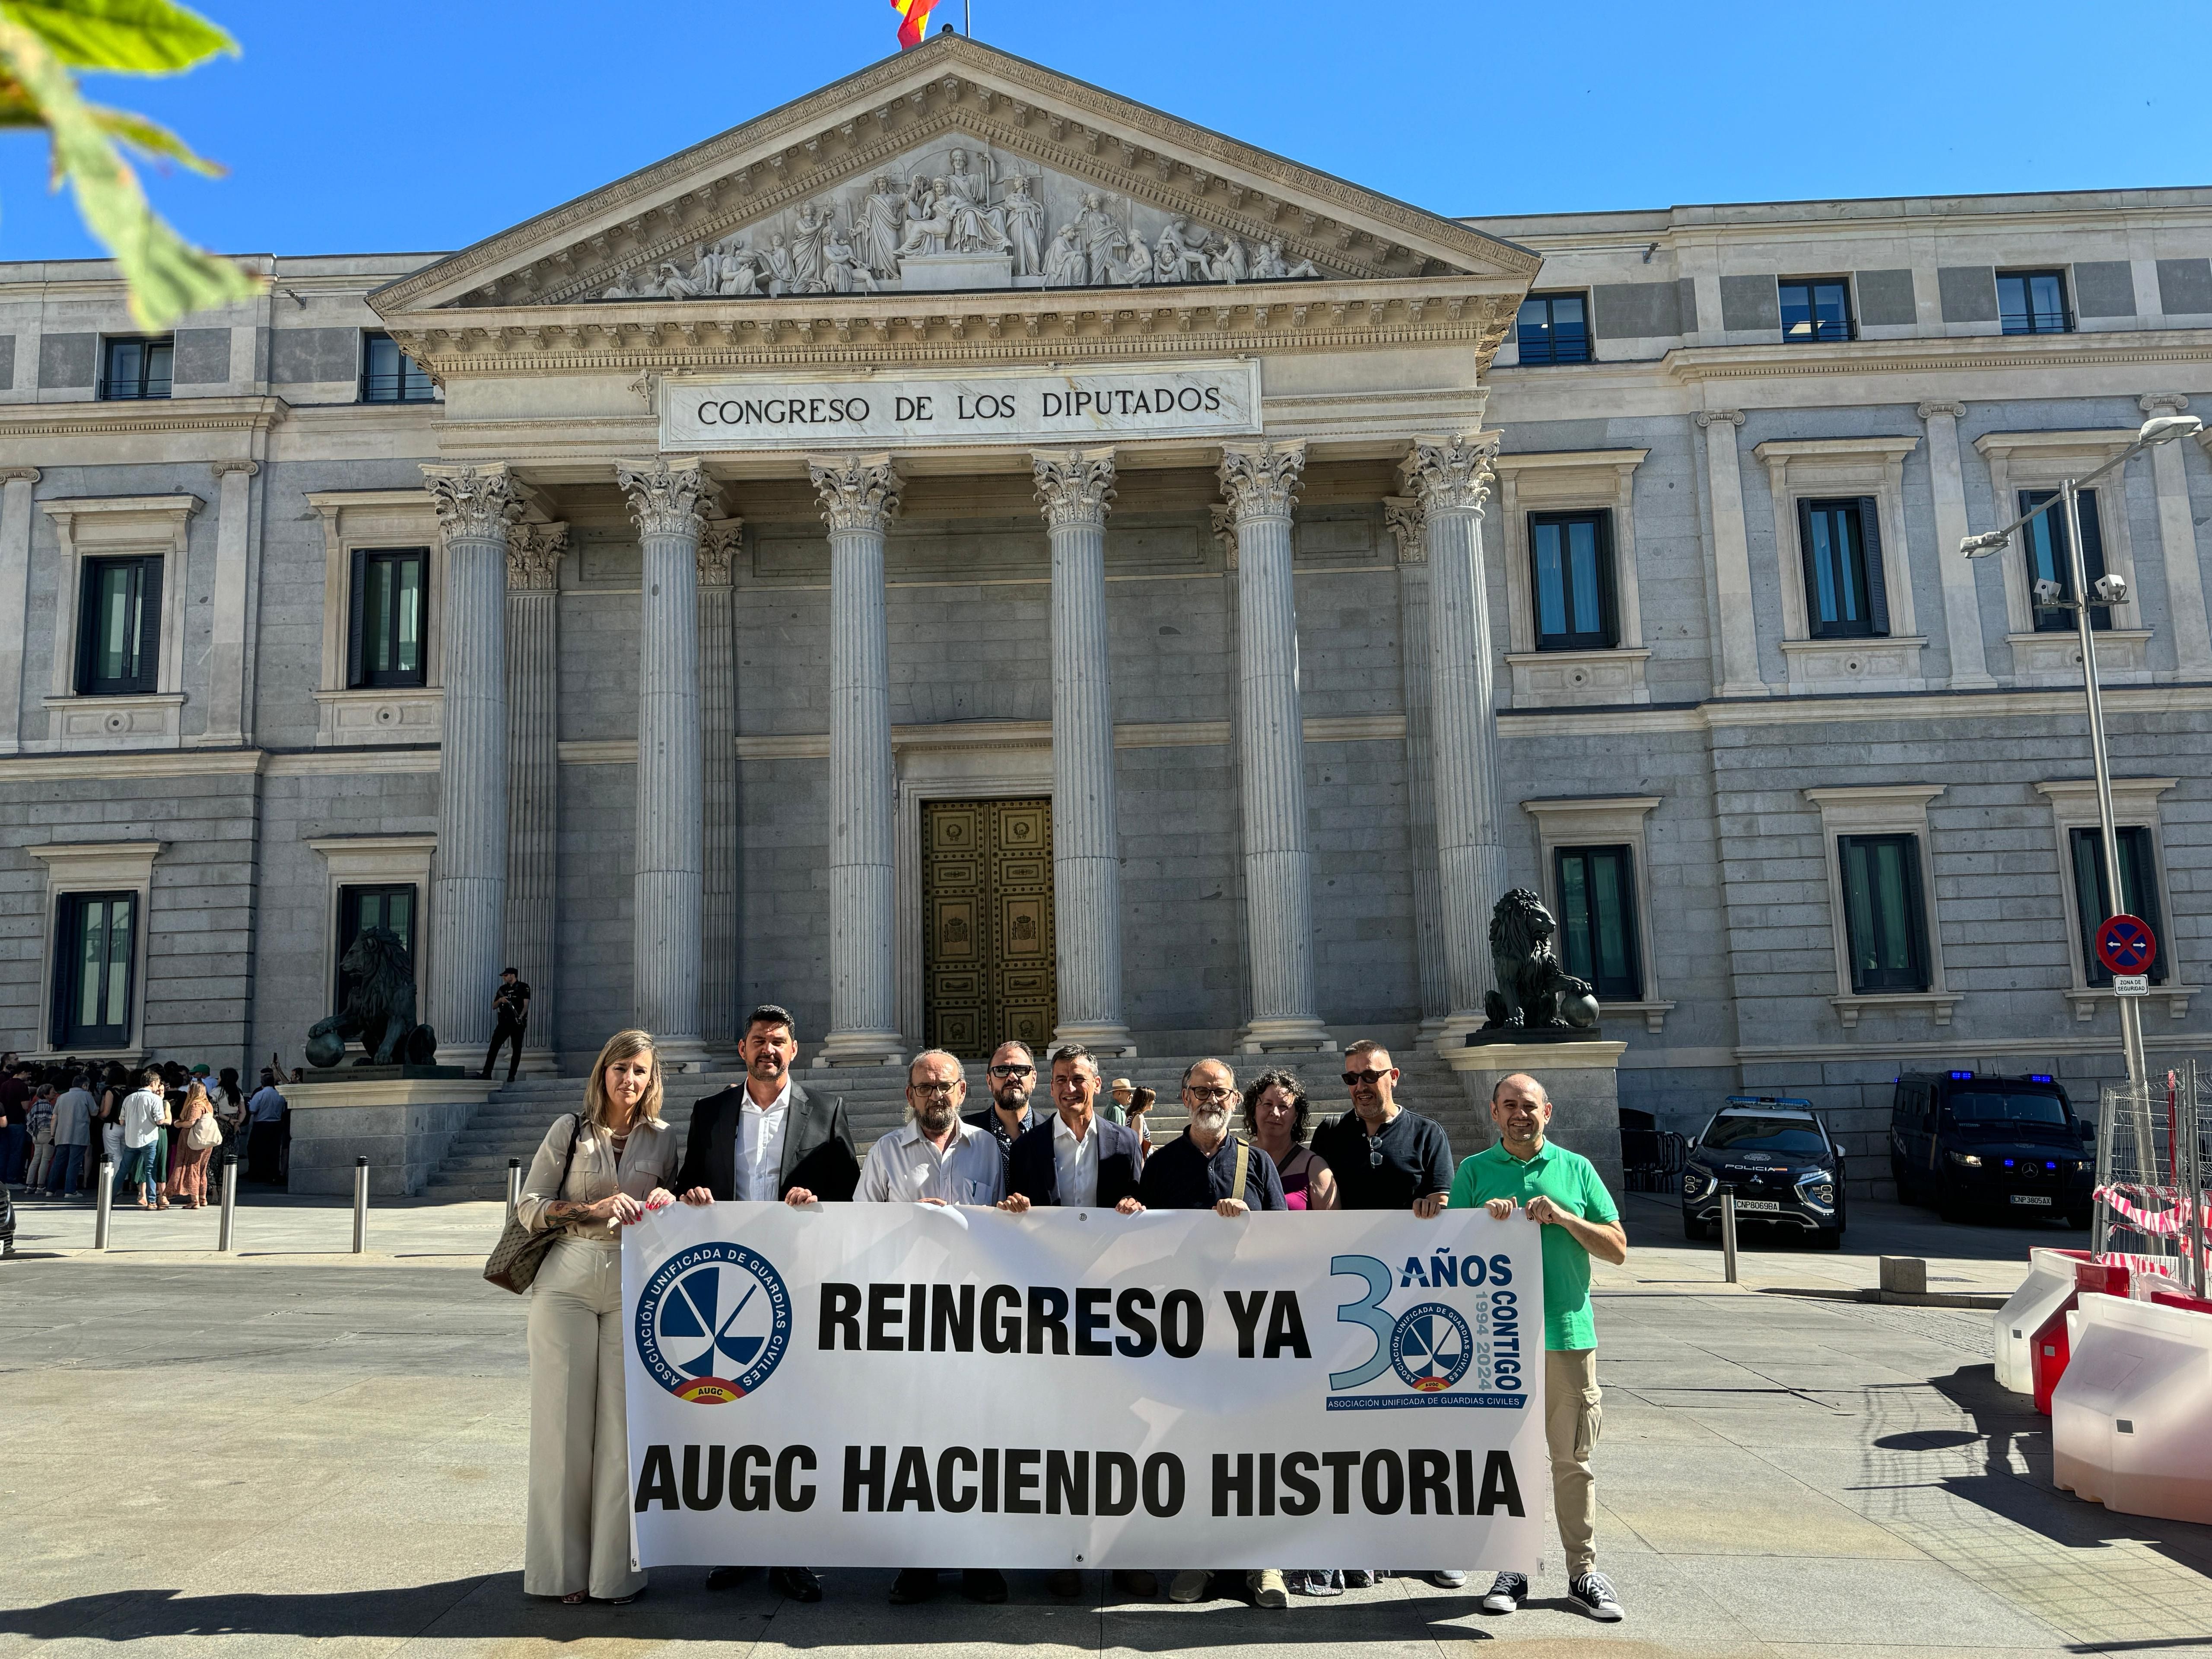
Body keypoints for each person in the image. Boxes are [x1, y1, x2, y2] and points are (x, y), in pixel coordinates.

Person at [676, 1003, 858, 1605]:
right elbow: (685, 1185)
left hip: (799, 1288)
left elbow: (851, 1196)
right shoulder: (710, 1112)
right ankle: (738, 1544)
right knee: (733, 1419)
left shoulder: (826, 1110)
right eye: (759, 1040)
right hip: (729, 1291)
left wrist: (817, 1198)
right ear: (742, 1049)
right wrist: (691, 1196)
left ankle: (791, 1550)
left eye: (778, 1041)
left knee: (795, 1421)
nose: (768, 1050)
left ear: (794, 1050)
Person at [519, 1028, 689, 1605]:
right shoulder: (569, 1130)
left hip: (632, 1285)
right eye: (621, 1068)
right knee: (562, 1430)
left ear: (652, 1079)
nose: (629, 1080)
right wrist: (590, 1207)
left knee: (623, 1430)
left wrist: (669, 1202)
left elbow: (676, 1210)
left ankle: (615, 1574)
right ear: (603, 1073)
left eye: (640, 1071)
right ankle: (560, 1573)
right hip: (567, 1278)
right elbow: (528, 1207)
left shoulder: (664, 1138)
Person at [1452, 1073, 1628, 1624]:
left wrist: (1565, 1217)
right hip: (1497, 1340)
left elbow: (1617, 1248)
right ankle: (1513, 1566)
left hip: (1565, 1336)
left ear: (1546, 1112)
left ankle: (1583, 1572)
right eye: (1509, 1105)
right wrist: (1484, 1224)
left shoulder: (1576, 1169)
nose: (1519, 1114)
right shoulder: (1473, 1171)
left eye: (1528, 1105)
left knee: (1571, 1460)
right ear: (1493, 1113)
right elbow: (1445, 1254)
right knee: (1508, 1460)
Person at [1129, 1058, 1288, 1610]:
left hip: (1247, 1331)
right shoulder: (1161, 1165)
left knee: (1254, 1446)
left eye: (1219, 1091)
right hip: (1184, 1334)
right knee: (1191, 1443)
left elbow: (1289, 1243)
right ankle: (1197, 1555)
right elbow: (1144, 1246)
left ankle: (1263, 1561)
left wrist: (1252, 1221)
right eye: (1200, 1091)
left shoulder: (1256, 1163)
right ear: (1184, 1096)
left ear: (1234, 1099)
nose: (1210, 1100)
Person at [998, 1043, 1149, 1599]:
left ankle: (1125, 1554)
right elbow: (1011, 1224)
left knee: (1122, 1433)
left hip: (1115, 1311)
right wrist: (1015, 1214)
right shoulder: (1028, 1147)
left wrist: (1135, 1210)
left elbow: (1143, 1213)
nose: (1068, 1089)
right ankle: (1066, 1552)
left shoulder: (1124, 1143)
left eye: (1078, 1079)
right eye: (1060, 1079)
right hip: (1053, 1316)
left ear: (1097, 1084)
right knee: (1061, 1437)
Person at [864, 1050, 1010, 1608]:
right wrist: (909, 1222)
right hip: (910, 1321)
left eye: (945, 1085)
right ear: (909, 1095)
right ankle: (918, 1562)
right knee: (915, 1444)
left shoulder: (989, 1150)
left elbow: (1010, 1228)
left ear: (963, 1091)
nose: (936, 1095)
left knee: (978, 1442)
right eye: (925, 1087)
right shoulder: (884, 1152)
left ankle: (981, 1561)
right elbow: (860, 1227)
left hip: (976, 1322)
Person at [1309, 1039, 1457, 1589]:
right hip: (1348, 1303)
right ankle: (1351, 1539)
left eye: (1369, 1076)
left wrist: (1435, 1205)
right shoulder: (1330, 1135)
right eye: (1350, 1079)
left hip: (1412, 1304)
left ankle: (1434, 1543)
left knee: (1419, 1423)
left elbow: (1445, 1203)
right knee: (1348, 1428)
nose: (1359, 1087)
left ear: (1393, 1076)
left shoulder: (1427, 1135)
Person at [1243, 1068, 1337, 1212]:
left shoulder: (1315, 1169)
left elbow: (1332, 1224)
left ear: (1296, 1116)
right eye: (1267, 1104)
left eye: (1283, 1107)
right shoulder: (1237, 1160)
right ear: (1253, 1111)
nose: (1275, 1113)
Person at [962, 1039, 1039, 1159]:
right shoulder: (963, 1133)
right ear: (989, 1081)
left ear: (1034, 1079)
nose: (1012, 1077)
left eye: (1021, 1070)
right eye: (1002, 1070)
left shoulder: (1053, 1131)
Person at [118, 1068, 171, 1209]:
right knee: (150, 1170)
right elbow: (160, 1121)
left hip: (132, 1139)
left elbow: (122, 1121)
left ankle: (110, 1197)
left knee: (123, 1170)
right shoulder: (155, 1099)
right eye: (158, 1084)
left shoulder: (129, 1098)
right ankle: (152, 1202)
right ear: (153, 1083)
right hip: (149, 1138)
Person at [164, 1080, 216, 1209]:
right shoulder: (208, 1104)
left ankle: (195, 1200)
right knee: (202, 1169)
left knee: (192, 1168)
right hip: (206, 1140)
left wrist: (178, 1124)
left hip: (193, 1140)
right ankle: (203, 1198)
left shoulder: (196, 1105)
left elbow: (191, 1122)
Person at [46, 1073, 93, 1199]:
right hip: (79, 1135)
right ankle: (70, 1191)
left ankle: (50, 1190)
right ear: (85, 1085)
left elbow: (54, 1117)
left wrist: (53, 1134)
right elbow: (94, 1112)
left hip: (61, 1135)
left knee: (58, 1162)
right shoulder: (86, 1095)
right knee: (74, 1163)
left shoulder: (62, 1097)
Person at [483, 967, 531, 1083]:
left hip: (517, 1022)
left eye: (506, 976)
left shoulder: (523, 987)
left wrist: (521, 1016)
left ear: (512, 975)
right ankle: (487, 1073)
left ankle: (512, 1075)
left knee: (517, 1050)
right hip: (504, 1022)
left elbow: (526, 1005)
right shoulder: (503, 989)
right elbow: (494, 1006)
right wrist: (501, 1000)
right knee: (494, 1047)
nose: (504, 978)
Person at [245, 1070, 288, 1185]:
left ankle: (257, 1174)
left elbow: (253, 1110)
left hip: (261, 1124)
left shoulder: (260, 1094)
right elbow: (283, 1110)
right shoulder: (280, 1095)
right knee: (273, 1151)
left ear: (262, 1083)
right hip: (276, 1124)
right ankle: (272, 1174)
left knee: (256, 1150)